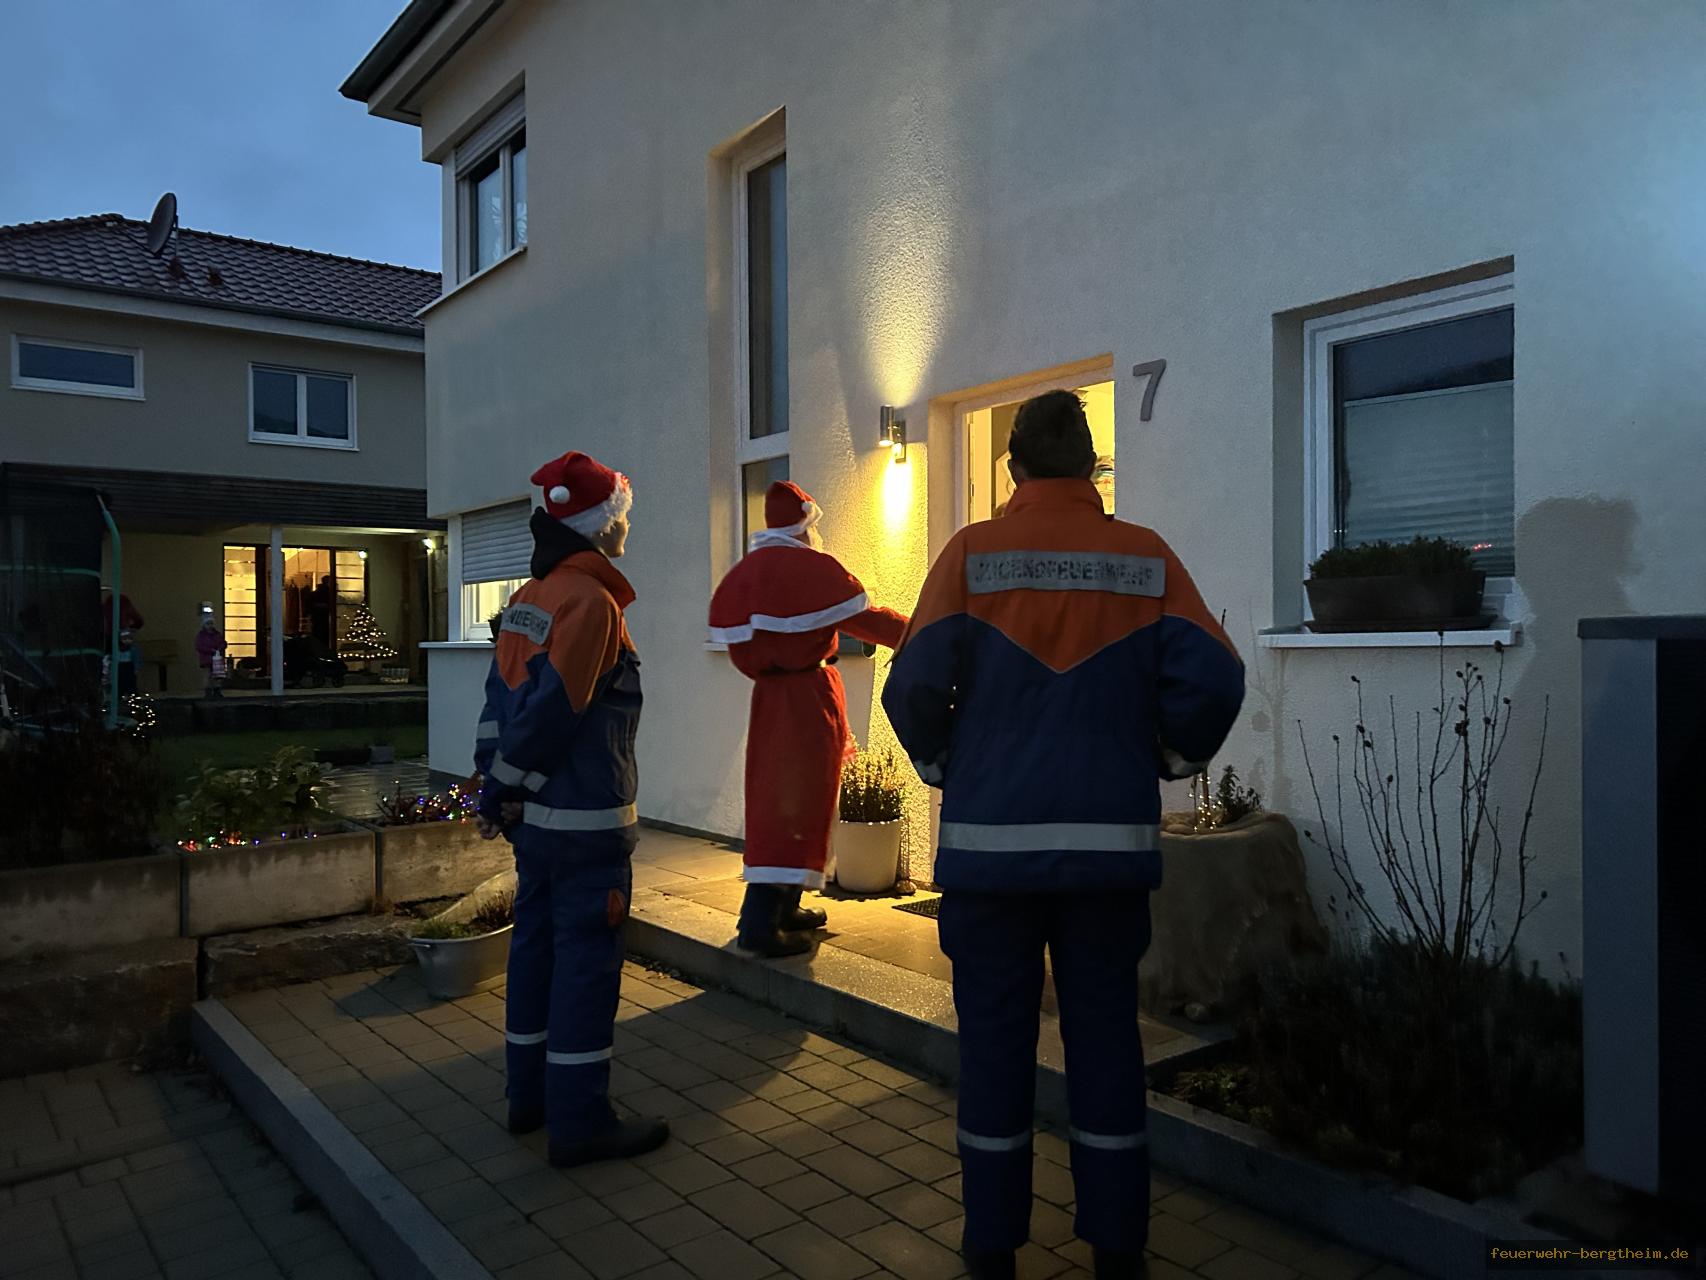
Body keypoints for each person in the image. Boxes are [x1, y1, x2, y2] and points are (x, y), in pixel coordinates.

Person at [881, 390, 1244, 1279]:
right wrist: (1168, 754)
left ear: (1013, 468)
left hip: (990, 862)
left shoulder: (972, 555)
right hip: (1106, 861)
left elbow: (912, 684)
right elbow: (1216, 677)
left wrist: (944, 763)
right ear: (1091, 466)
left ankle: (992, 1245)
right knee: (1107, 1044)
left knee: (993, 1050)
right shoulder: (1145, 557)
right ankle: (1118, 1248)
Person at [472, 450, 668, 1168]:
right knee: (585, 968)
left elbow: (498, 706)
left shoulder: (532, 596)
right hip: (586, 827)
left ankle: (527, 1098)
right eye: (623, 517)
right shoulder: (592, 603)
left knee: (535, 954)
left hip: (537, 829)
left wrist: (497, 787)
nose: (627, 529)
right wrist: (506, 788)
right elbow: (557, 711)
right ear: (601, 525)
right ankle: (580, 1123)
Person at [708, 481, 909, 956]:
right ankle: (760, 922)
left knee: (784, 800)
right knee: (796, 803)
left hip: (771, 699)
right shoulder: (811, 570)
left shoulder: (749, 572)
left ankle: (785, 907)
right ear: (804, 524)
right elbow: (868, 621)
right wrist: (923, 632)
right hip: (808, 702)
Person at [193, 609, 226, 699]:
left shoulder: (217, 634)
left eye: (211, 623)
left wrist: (219, 648)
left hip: (216, 658)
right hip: (206, 659)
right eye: (208, 624)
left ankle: (217, 691)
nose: (210, 625)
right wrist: (211, 650)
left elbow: (223, 643)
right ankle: (208, 692)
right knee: (207, 675)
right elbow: (199, 646)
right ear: (204, 625)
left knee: (217, 676)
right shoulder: (201, 635)